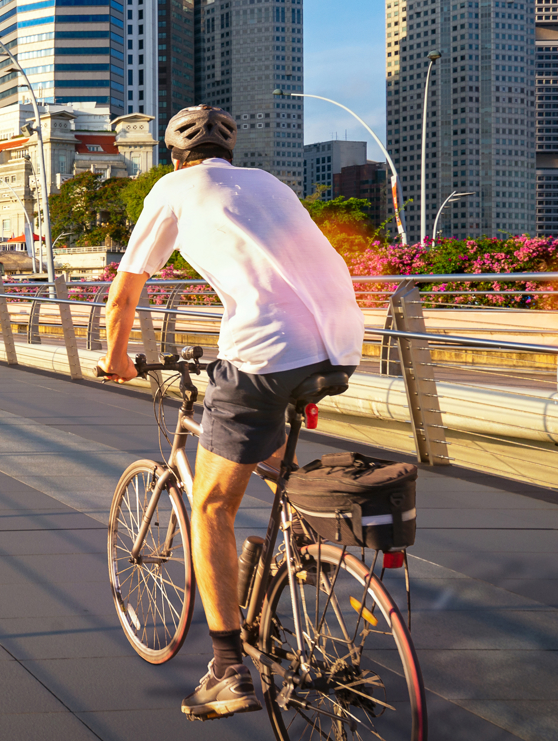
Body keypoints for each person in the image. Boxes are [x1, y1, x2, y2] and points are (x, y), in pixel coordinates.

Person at [97, 105, 364, 721]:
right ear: (230, 153)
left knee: (212, 505)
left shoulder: (172, 189)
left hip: (266, 354)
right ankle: (301, 537)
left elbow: (126, 289)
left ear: (173, 156)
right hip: (341, 346)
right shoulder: (269, 185)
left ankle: (225, 669)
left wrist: (116, 359)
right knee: (260, 438)